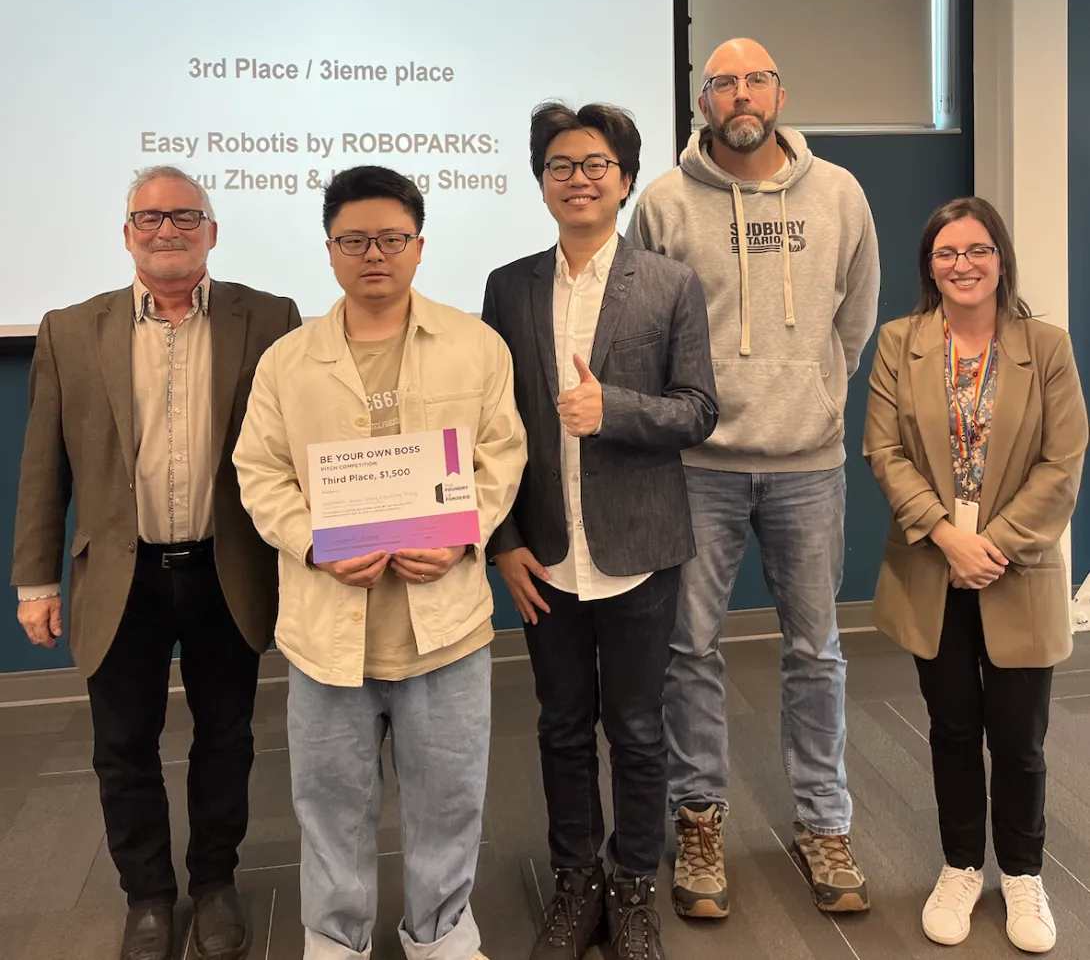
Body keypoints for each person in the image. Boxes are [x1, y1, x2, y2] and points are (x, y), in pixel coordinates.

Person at [233, 165, 526, 960]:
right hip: (329, 631)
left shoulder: (475, 345)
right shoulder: (287, 362)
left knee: (449, 798)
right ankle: (335, 939)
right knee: (330, 803)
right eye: (354, 239)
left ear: (419, 246)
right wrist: (318, 540)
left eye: (391, 238)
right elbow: (259, 473)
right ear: (329, 250)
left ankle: (440, 934)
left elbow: (502, 452)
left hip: (446, 625)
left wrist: (464, 532)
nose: (374, 254)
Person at [11, 165, 300, 960]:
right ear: (126, 232)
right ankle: (147, 895)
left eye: (184, 216)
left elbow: (300, 446)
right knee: (122, 745)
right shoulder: (71, 329)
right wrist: (35, 580)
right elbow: (44, 469)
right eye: (149, 217)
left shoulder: (269, 317)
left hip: (226, 569)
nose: (166, 230)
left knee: (228, 736)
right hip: (120, 576)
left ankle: (213, 881)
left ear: (212, 230)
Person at [627, 37, 880, 919]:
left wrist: (809, 393)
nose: (741, 93)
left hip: (808, 465)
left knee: (818, 651)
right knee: (688, 651)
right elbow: (639, 324)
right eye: (724, 81)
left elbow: (856, 314)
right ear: (704, 102)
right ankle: (699, 820)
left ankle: (825, 821)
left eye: (756, 78)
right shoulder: (662, 201)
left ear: (781, 91)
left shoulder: (840, 193)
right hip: (697, 466)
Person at [482, 102, 718, 960]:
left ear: (624, 179)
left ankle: (631, 886)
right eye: (559, 164)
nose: (576, 178)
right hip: (543, 554)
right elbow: (492, 423)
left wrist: (610, 407)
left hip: (638, 552)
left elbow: (699, 410)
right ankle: (575, 880)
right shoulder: (508, 286)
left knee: (640, 729)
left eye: (594, 164)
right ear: (540, 181)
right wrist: (502, 540)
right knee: (558, 725)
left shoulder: (668, 282)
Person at [864, 196, 1086, 954]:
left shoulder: (1045, 345)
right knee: (953, 727)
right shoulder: (900, 341)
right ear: (930, 264)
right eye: (947, 252)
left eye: (977, 249)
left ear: (1001, 258)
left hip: (1015, 568)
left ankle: (1023, 872)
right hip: (933, 566)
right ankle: (961, 864)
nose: (963, 264)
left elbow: (1063, 463)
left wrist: (991, 543)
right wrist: (947, 537)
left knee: (1020, 739)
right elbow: (883, 452)